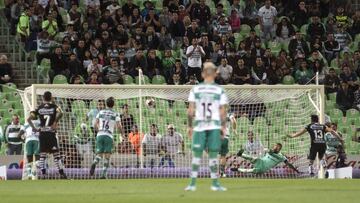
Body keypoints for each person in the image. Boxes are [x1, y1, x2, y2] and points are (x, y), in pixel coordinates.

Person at [185, 62, 228, 191]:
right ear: (215, 74)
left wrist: (189, 126)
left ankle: (192, 184)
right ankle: (215, 184)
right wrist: (223, 126)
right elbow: (223, 111)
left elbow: (190, 111)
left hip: (199, 126)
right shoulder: (220, 90)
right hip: (214, 125)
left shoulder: (195, 89)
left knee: (197, 155)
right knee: (214, 155)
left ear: (203, 74)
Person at [27, 91, 67, 179]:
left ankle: (43, 174)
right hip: (50, 133)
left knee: (42, 155)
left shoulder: (39, 108)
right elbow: (61, 113)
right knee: (56, 154)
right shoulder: (54, 106)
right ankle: (61, 174)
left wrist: (33, 128)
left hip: (42, 134)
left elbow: (29, 119)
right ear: (51, 97)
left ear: (43, 98)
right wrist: (55, 122)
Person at [90, 97, 121, 179]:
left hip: (100, 134)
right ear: (113, 104)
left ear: (106, 104)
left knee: (99, 154)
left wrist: (99, 130)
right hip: (109, 135)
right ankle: (103, 174)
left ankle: (94, 162)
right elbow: (119, 126)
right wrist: (122, 133)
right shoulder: (115, 114)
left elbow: (95, 124)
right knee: (107, 156)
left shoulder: (101, 112)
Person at [231, 143, 299, 174]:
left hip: (263, 168)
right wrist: (266, 149)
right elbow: (270, 151)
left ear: (279, 149)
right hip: (261, 162)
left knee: (251, 170)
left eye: (277, 147)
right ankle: (241, 154)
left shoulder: (281, 156)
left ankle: (237, 169)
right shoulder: (271, 151)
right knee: (254, 158)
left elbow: (289, 164)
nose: (275, 147)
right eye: (275, 146)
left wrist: (296, 170)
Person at [219, 112, 237, 178]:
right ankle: (222, 172)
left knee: (217, 155)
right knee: (223, 156)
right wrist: (234, 130)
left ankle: (216, 172)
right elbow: (234, 121)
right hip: (225, 137)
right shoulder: (229, 114)